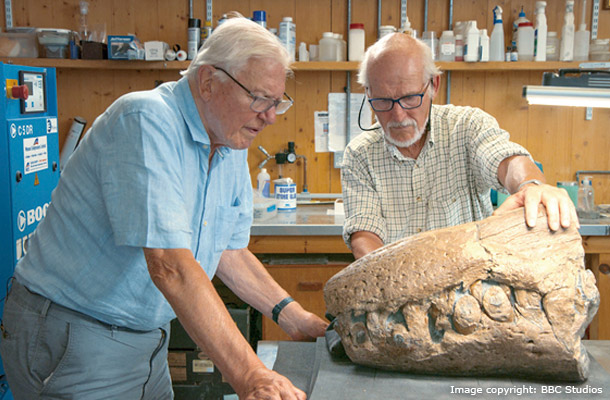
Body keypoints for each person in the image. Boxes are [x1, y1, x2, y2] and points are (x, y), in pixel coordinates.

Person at [1, 16, 327, 400]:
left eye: (277, 102)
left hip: (147, 341)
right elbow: (169, 265)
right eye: (259, 99)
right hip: (74, 335)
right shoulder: (146, 120)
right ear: (208, 81)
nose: (270, 116)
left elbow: (227, 250)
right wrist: (252, 376)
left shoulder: (229, 139)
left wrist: (294, 316)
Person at [341, 33, 578, 259]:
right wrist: (391, 278)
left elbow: (506, 160)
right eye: (382, 101)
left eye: (409, 98)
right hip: (397, 289)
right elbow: (364, 233)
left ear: (433, 84)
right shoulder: (360, 154)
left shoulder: (467, 127)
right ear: (368, 93)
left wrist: (531, 185)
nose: (398, 115)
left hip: (472, 289)